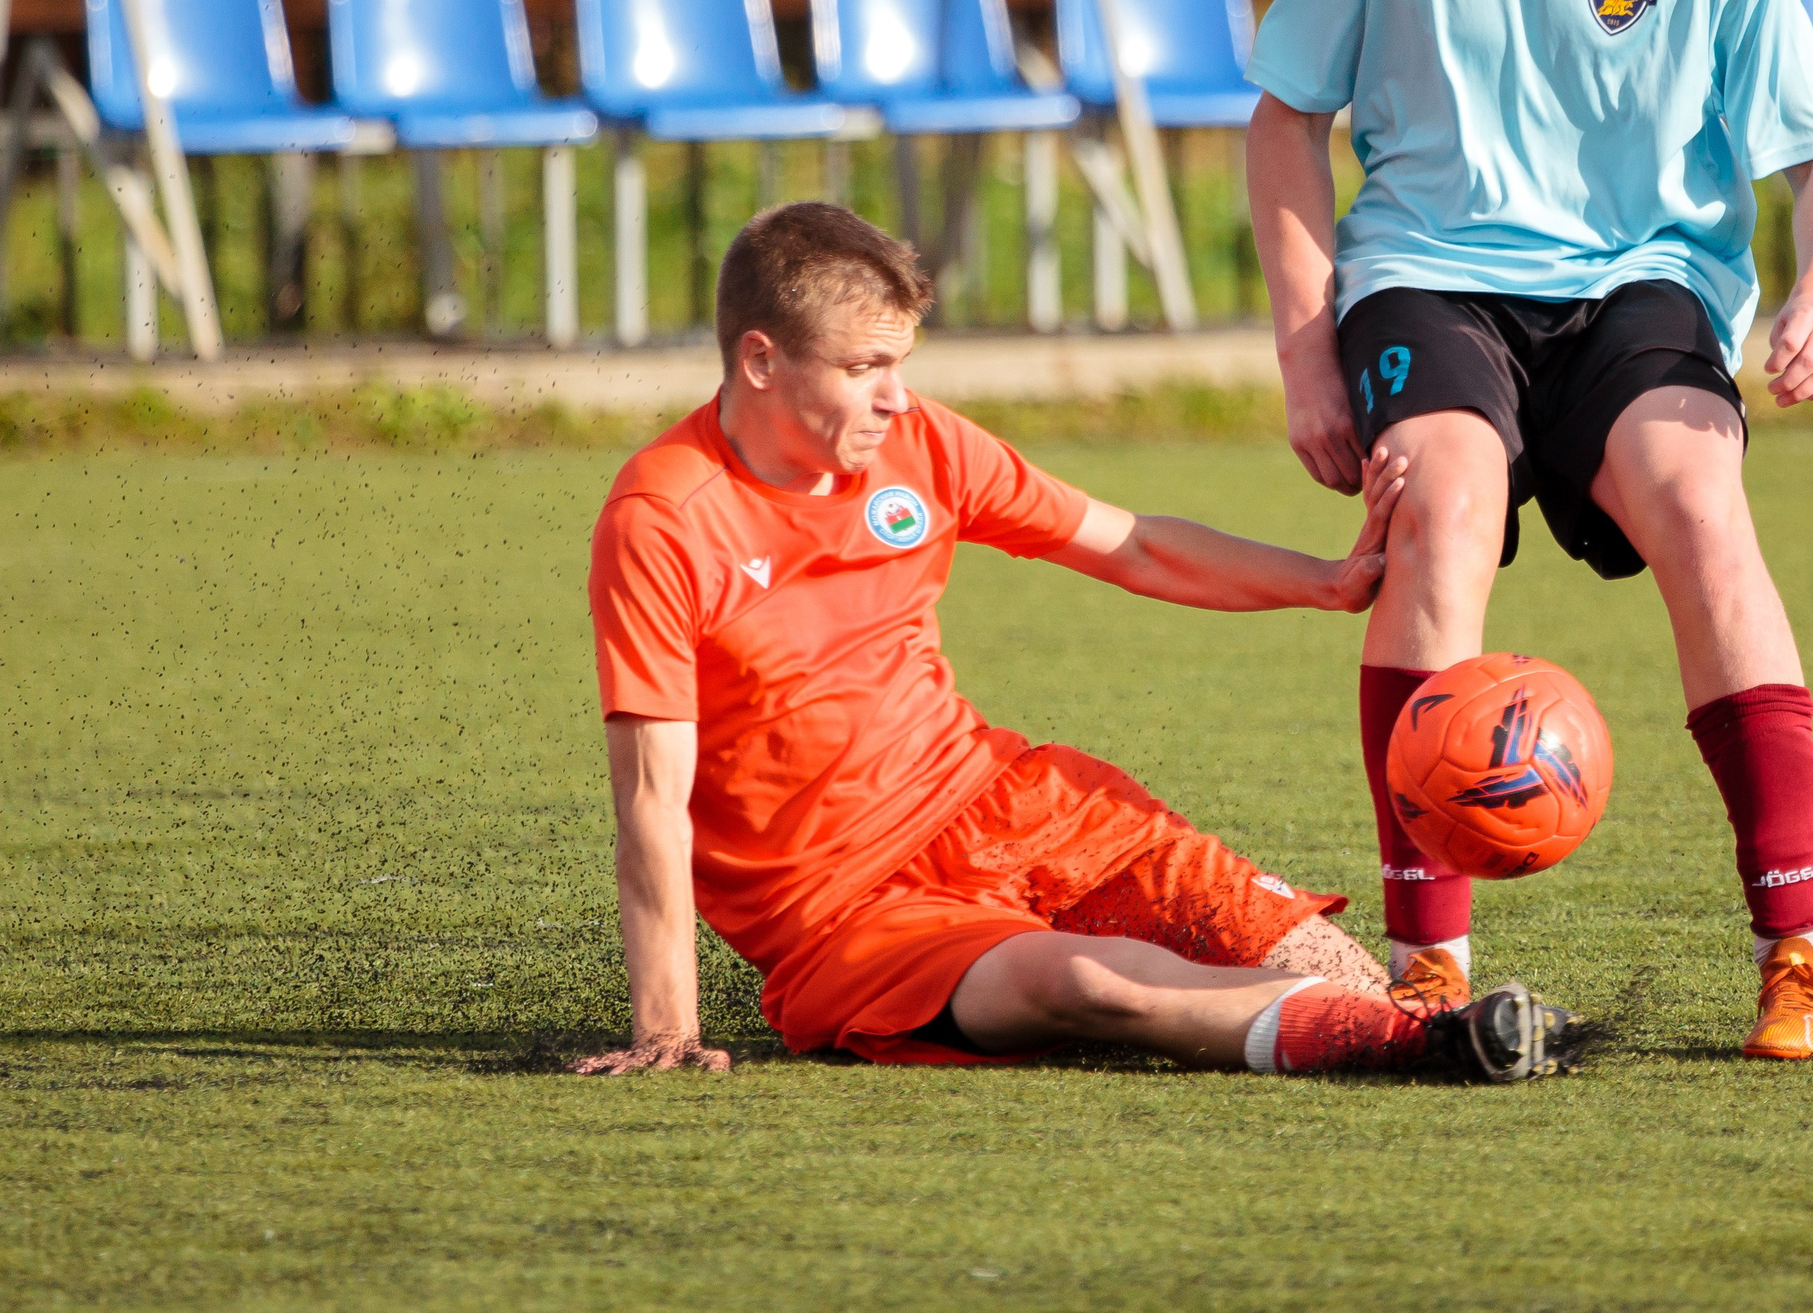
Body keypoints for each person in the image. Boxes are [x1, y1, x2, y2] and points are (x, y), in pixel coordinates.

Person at [1246, 0, 1813, 1059]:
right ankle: (1425, 963)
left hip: (1638, 284)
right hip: (1429, 272)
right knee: (1444, 507)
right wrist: (1305, 355)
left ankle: (1803, 949)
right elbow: (1283, 118)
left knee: (1699, 502)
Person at [570, 201, 1580, 1083]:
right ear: (760, 359)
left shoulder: (922, 442)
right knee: (1089, 985)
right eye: (864, 367)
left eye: (901, 364)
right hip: (847, 914)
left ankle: (1435, 1027)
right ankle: (1421, 1048)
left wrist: (1324, 582)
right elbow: (651, 801)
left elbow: (1133, 545)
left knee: (1306, 952)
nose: (896, 398)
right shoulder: (664, 518)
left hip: (1009, 803)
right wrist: (668, 1032)